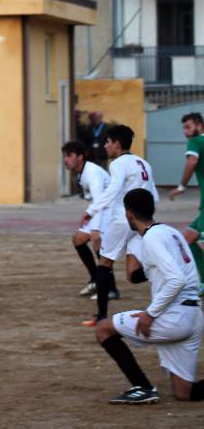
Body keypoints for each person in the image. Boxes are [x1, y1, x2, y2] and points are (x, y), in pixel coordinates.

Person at [93, 188, 204, 404]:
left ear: (129, 215)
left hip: (174, 318)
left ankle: (143, 387)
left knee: (103, 329)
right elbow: (137, 275)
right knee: (184, 393)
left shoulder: (152, 238)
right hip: (193, 317)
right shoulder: (170, 232)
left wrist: (150, 314)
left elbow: (176, 280)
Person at [80, 125, 159, 327]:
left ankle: (101, 315)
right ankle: (164, 273)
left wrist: (92, 210)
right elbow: (154, 195)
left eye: (108, 142)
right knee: (133, 274)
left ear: (116, 143)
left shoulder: (118, 163)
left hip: (123, 219)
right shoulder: (143, 163)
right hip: (140, 221)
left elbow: (113, 190)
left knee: (104, 263)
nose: (106, 146)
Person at [62, 140, 110, 297]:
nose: (65, 160)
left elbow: (99, 200)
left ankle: (108, 287)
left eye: (69, 155)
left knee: (97, 242)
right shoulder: (82, 173)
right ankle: (96, 280)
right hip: (102, 210)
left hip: (111, 212)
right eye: (64, 156)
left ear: (80, 157)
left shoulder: (92, 173)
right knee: (78, 239)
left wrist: (95, 227)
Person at [167, 112, 204, 295]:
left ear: (199, 125)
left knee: (202, 243)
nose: (185, 131)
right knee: (188, 239)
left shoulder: (196, 141)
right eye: (184, 128)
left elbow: (192, 161)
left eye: (188, 127)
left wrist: (182, 186)